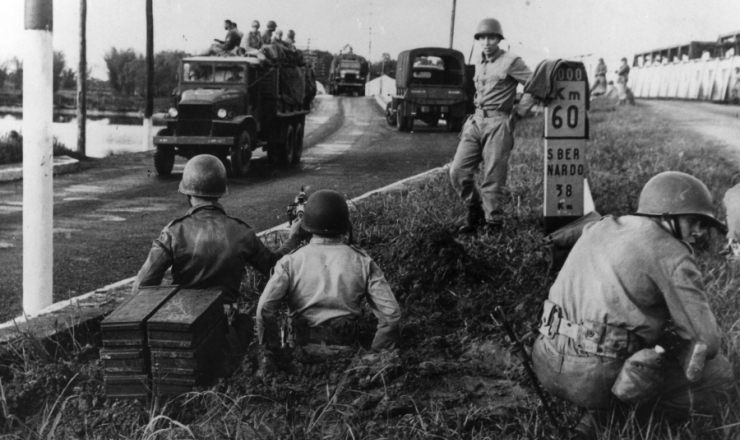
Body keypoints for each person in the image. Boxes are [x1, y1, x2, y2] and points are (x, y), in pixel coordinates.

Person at [531, 171, 734, 439]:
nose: (699, 232)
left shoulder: (599, 226)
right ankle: (614, 414)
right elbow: (707, 342)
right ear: (667, 214)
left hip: (545, 361)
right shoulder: (672, 254)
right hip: (596, 379)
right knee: (719, 374)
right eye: (694, 220)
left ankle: (600, 410)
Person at [132, 154, 306, 306]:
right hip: (225, 326)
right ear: (221, 192)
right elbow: (273, 267)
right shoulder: (242, 232)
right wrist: (294, 237)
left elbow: (142, 286)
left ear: (187, 193)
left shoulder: (173, 232)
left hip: (184, 323)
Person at [256, 189, 401, 357]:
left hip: (298, 352)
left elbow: (264, 310)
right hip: (344, 354)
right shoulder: (363, 262)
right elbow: (391, 314)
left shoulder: (290, 262)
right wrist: (377, 354)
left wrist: (273, 351)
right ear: (345, 226)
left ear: (306, 225)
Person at [449, 18, 536, 234]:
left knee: (493, 176)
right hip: (476, 121)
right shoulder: (479, 60)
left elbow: (536, 83)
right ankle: (474, 210)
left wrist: (520, 112)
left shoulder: (511, 61)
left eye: (492, 37)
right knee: (457, 172)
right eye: (483, 37)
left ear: (499, 39)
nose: (487, 42)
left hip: (499, 123)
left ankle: (493, 224)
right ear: (478, 40)